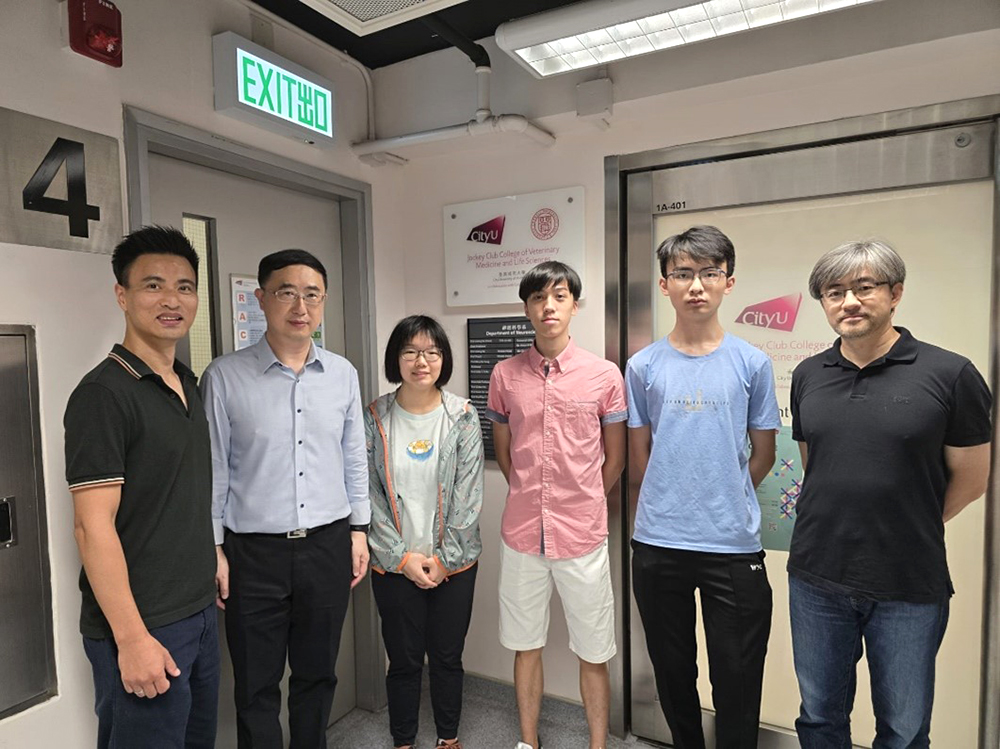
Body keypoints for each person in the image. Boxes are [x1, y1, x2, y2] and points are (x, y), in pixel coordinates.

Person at [788, 240, 992, 748]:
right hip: (816, 577)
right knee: (818, 717)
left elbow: (973, 478)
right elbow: (817, 464)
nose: (849, 302)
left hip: (908, 583)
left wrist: (908, 520)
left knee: (903, 729)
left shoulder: (951, 374)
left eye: (864, 287)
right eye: (834, 292)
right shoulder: (808, 374)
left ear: (895, 292)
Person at [202, 249, 369, 749]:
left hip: (327, 544)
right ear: (261, 299)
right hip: (253, 552)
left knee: (318, 676)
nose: (300, 305)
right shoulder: (224, 377)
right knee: (255, 685)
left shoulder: (343, 374)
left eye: (312, 294)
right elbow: (213, 468)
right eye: (286, 292)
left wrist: (359, 530)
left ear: (323, 302)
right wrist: (213, 546)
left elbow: (353, 459)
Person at [64, 225, 219, 748]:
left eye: (185, 286)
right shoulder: (104, 395)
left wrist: (211, 555)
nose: (172, 299)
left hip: (197, 613)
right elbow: (91, 527)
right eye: (153, 285)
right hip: (145, 624)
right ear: (122, 295)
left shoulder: (186, 382)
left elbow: (178, 492)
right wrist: (131, 639)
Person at [626, 225, 780, 749]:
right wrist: (678, 492)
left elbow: (763, 455)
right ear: (665, 283)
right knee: (673, 675)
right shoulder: (642, 366)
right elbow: (640, 456)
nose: (696, 285)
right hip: (658, 543)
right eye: (683, 274)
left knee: (738, 680)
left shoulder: (752, 363)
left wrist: (722, 490)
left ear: (728, 283)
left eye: (709, 273)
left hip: (732, 549)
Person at [487, 261, 627, 749]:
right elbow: (505, 454)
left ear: (574, 305)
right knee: (526, 645)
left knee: (594, 649)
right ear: (526, 307)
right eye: (539, 298)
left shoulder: (604, 375)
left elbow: (615, 457)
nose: (549, 306)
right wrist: (531, 493)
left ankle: (597, 744)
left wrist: (583, 498)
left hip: (582, 534)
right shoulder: (505, 375)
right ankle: (528, 741)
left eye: (560, 296)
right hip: (523, 534)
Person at [365, 315, 485, 749]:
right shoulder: (375, 416)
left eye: (432, 352)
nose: (422, 361)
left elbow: (468, 497)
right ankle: (403, 740)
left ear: (443, 359)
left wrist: (442, 560)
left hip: (454, 562)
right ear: (395, 358)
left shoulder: (463, 417)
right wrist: (402, 557)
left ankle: (448, 739)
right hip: (394, 563)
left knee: (448, 658)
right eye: (411, 351)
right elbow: (369, 493)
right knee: (403, 660)